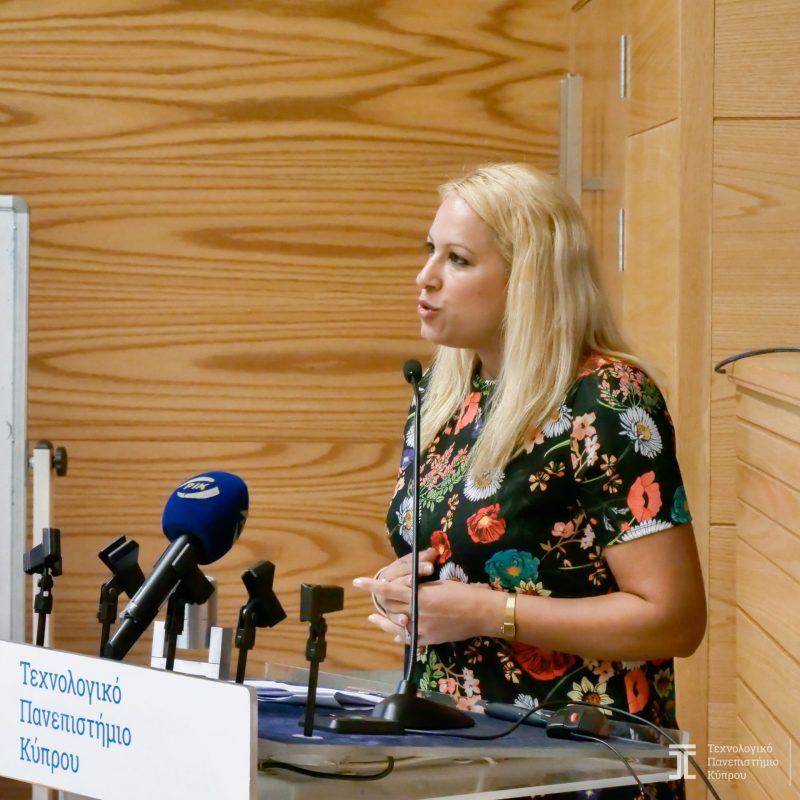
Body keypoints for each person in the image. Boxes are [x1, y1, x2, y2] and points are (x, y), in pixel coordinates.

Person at [352, 163, 706, 800]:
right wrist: (406, 595)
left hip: (583, 766)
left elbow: (674, 619)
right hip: (456, 758)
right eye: (430, 250)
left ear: (528, 281)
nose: (425, 276)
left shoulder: (608, 400)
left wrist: (486, 612)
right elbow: (460, 562)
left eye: (458, 259)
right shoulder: (446, 394)